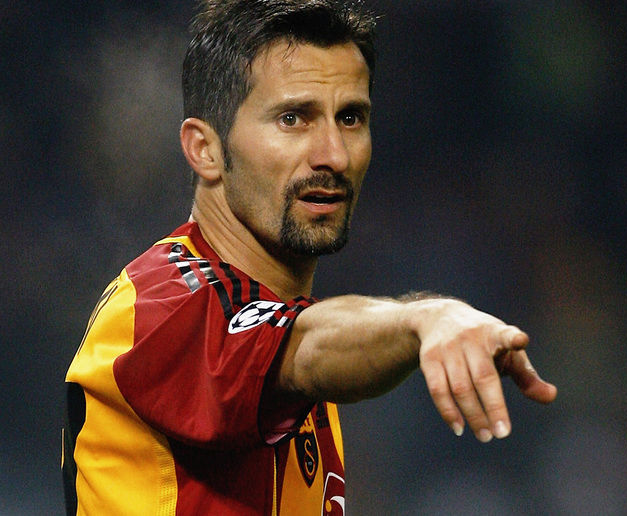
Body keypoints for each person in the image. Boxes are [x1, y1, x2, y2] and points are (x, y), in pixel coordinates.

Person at [62, 0, 558, 514]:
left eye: (350, 118)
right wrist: (423, 318)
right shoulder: (164, 302)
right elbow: (306, 346)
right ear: (205, 149)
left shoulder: (277, 346)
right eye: (293, 118)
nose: (334, 155)